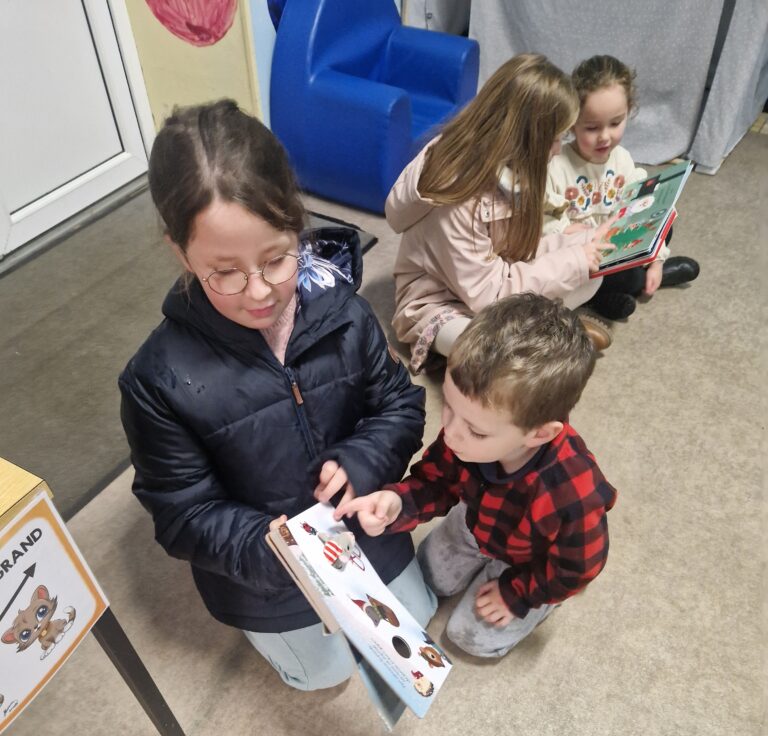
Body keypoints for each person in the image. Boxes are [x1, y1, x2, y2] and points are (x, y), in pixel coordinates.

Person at [118, 100, 436, 693]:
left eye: (276, 258)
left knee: (418, 622)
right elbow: (182, 513)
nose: (259, 291)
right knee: (326, 674)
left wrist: (363, 461)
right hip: (266, 567)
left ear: (298, 224)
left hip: (360, 525)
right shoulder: (157, 380)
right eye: (225, 272)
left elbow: (400, 404)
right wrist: (271, 550)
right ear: (180, 252)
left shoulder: (343, 310)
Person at [336, 294, 617, 659]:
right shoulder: (464, 434)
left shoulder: (573, 493)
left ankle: (535, 597)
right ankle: (476, 537)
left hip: (528, 559)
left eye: (477, 431)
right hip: (477, 523)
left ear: (540, 434)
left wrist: (518, 593)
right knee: (430, 578)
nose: (451, 434)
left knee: (469, 638)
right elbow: (435, 481)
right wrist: (397, 501)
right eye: (448, 407)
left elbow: (578, 567)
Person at [385, 53, 617, 373]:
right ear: (525, 138)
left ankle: (544, 337)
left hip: (494, 282)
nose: (558, 150)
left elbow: (518, 254)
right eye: (553, 140)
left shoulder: (512, 168)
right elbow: (489, 294)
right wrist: (573, 260)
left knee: (592, 269)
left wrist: (583, 244)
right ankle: (551, 338)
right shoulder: (457, 195)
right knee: (486, 351)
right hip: (440, 304)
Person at [544, 54, 700, 321]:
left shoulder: (622, 159)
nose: (605, 136)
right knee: (626, 277)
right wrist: (568, 231)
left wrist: (657, 260)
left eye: (615, 123)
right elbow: (542, 222)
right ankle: (605, 296)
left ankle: (651, 273)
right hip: (584, 258)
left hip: (618, 248)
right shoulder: (558, 165)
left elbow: (647, 214)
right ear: (573, 122)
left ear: (629, 111)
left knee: (665, 222)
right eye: (591, 127)